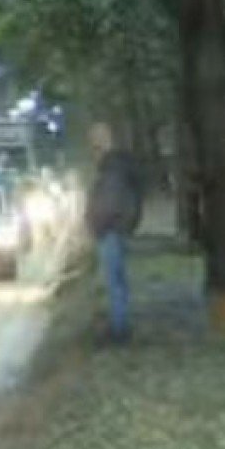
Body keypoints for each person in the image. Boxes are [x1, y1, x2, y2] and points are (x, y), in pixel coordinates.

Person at [86, 123, 144, 342]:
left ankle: (119, 329)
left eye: (95, 139)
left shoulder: (111, 167)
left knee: (114, 281)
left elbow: (109, 202)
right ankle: (120, 324)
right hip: (116, 228)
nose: (92, 144)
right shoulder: (116, 165)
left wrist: (97, 225)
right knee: (117, 280)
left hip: (110, 229)